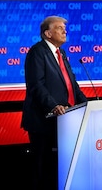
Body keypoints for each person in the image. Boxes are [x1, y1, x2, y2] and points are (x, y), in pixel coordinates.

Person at [21, 16, 87, 190]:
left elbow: (71, 84)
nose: (65, 31)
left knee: (57, 169)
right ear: (48, 33)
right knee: (42, 169)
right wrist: (52, 106)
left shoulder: (61, 53)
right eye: (59, 28)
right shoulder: (37, 52)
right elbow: (37, 85)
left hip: (64, 120)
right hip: (43, 121)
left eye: (64, 27)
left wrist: (87, 105)